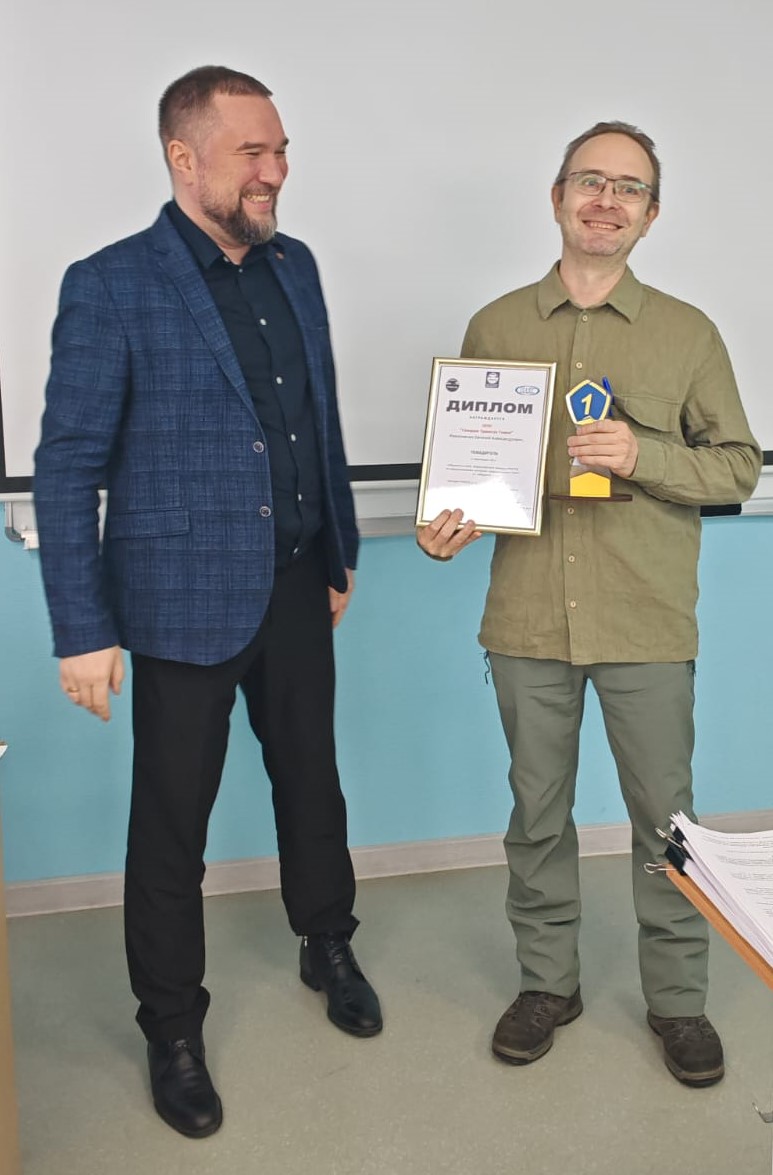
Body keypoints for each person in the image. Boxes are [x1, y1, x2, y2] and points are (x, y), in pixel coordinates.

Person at [34, 65, 382, 1139]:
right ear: (183, 158)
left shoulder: (295, 266)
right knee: (170, 826)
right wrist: (83, 628)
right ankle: (173, 1027)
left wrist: (337, 544)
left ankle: (327, 941)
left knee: (311, 783)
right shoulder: (110, 283)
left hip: (297, 581)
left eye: (281, 150)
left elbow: (317, 415)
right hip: (179, 601)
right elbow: (67, 466)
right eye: (251, 152)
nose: (274, 171)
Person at [417, 121, 760, 1087]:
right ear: (557, 195)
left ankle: (678, 1000)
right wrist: (450, 524)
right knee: (535, 814)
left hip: (644, 619)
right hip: (527, 619)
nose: (606, 200)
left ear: (651, 214)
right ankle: (546, 983)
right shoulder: (495, 327)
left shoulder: (687, 332)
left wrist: (641, 454)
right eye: (590, 180)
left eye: (628, 187)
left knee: (665, 822)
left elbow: (738, 466)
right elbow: (475, 472)